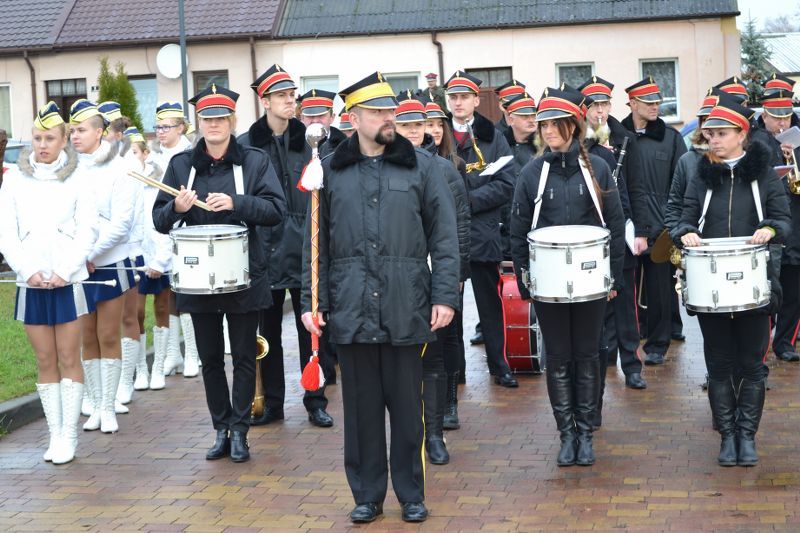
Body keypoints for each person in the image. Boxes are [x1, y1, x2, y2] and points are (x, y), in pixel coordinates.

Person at [300, 72, 459, 523]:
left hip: (405, 302)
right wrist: (312, 303)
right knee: (362, 411)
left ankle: (411, 491)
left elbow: (444, 237)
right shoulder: (329, 170)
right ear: (353, 118)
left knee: (409, 408)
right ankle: (367, 493)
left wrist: (444, 295)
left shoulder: (422, 167)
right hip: (350, 305)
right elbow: (314, 246)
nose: (389, 119)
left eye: (390, 111)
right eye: (378, 112)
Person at [153, 84, 286, 463]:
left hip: (245, 275)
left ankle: (241, 430)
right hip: (197, 281)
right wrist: (177, 208)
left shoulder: (255, 161)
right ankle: (221, 428)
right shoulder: (181, 164)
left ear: (231, 121)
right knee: (210, 358)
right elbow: (159, 221)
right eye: (207, 119)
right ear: (200, 122)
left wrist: (237, 202)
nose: (214, 125)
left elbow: (276, 209)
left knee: (244, 356)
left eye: (220, 118)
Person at [671, 99, 790, 466]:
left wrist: (769, 229)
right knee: (719, 363)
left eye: (722, 134)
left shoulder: (765, 174)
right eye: (710, 134)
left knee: (753, 363)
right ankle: (727, 436)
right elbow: (683, 218)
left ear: (742, 134)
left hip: (755, 282)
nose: (714, 140)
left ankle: (747, 435)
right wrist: (686, 233)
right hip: (711, 286)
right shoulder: (701, 173)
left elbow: (783, 220)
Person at [510, 87, 625, 466]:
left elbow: (615, 223)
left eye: (554, 124)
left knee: (588, 354)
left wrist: (614, 279)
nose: (547, 131)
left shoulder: (598, 167)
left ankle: (587, 431)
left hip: (592, 283)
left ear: (573, 125)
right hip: (550, 285)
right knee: (558, 356)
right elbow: (517, 229)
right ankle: (567, 433)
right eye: (542, 125)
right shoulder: (531, 172)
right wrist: (526, 279)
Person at [238, 65, 334, 429]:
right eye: (282, 96)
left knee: (313, 329)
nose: (290, 101)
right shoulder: (247, 144)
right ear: (264, 101)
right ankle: (273, 402)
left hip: (306, 247)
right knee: (268, 334)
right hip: (265, 249)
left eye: (292, 94)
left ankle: (315, 400)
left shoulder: (313, 139)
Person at [0, 102, 96, 464]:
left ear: (64, 140)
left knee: (70, 355)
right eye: (38, 137)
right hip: (31, 281)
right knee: (44, 358)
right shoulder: (13, 179)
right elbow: (6, 233)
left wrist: (65, 269)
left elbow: (87, 229)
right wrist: (28, 270)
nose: (42, 144)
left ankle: (69, 435)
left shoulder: (80, 177)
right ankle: (54, 434)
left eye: (50, 138)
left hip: (67, 280)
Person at [395, 92, 470, 466]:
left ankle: (436, 432)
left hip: (431, 277)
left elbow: (459, 226)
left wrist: (454, 276)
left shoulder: (442, 168)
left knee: (435, 358)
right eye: (404, 124)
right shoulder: (386, 166)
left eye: (417, 125)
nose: (411, 132)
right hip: (397, 280)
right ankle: (409, 432)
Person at [578, 76, 649, 409]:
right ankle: (603, 356)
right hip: (591, 231)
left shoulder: (625, 140)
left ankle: (632, 365)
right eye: (594, 106)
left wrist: (641, 230)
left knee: (626, 305)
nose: (601, 111)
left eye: (605, 104)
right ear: (584, 110)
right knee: (597, 301)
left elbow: (636, 187)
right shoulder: (576, 142)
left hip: (623, 227)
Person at [447, 70, 518, 388]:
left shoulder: (494, 138)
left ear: (477, 100)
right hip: (448, 236)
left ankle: (499, 364)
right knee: (451, 306)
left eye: (464, 97)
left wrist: (470, 200)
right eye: (453, 97)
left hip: (483, 230)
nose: (458, 103)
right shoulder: (441, 132)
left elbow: (507, 183)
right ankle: (455, 368)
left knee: (491, 305)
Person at [70, 99, 136, 434]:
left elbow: (122, 222)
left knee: (109, 333)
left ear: (99, 131)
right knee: (87, 337)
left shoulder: (118, 167)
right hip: (79, 265)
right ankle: (94, 404)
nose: (75, 136)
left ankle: (108, 407)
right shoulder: (68, 170)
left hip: (109, 261)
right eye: (72, 131)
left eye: (81, 130)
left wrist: (89, 252)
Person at [621, 77, 687, 365]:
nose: (656, 107)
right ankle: (629, 339)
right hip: (627, 225)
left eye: (658, 102)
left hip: (661, 227)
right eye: (649, 102)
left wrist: (676, 222)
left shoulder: (671, 138)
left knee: (661, 291)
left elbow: (683, 183)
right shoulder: (617, 135)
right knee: (626, 288)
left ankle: (659, 344)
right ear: (633, 104)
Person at [425, 99, 469, 426]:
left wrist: (458, 271)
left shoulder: (451, 167)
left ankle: (450, 400)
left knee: (450, 334)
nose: (433, 131)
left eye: (439, 125)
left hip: (447, 266)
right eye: (429, 124)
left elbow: (461, 223)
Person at [98, 102, 145, 410]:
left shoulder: (130, 163)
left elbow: (137, 216)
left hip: (132, 248)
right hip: (106, 252)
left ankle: (126, 380)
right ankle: (102, 391)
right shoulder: (93, 164)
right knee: (97, 328)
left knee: (131, 316)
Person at [148, 102, 198, 380]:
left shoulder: (188, 157)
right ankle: (172, 355)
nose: (160, 132)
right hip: (155, 237)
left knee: (184, 298)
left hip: (181, 237)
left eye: (166, 126)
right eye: (158, 126)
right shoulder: (151, 158)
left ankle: (191, 353)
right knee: (164, 300)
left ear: (181, 127)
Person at [121, 127, 173, 391]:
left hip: (157, 256)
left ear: (144, 154)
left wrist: (160, 261)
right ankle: (140, 369)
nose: (131, 158)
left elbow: (163, 222)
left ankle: (159, 367)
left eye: (134, 152)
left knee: (162, 309)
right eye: (126, 153)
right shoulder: (122, 184)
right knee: (135, 313)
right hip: (133, 258)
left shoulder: (156, 183)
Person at [753, 81, 800, 362]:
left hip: (795, 225)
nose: (782, 122)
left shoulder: (798, 138)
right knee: (768, 287)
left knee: (794, 288)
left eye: (786, 115)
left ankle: (785, 343)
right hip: (768, 225)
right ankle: (760, 344)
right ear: (764, 116)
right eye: (776, 116)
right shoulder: (756, 143)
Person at [298, 88, 347, 159]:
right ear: (302, 118)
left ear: (332, 117)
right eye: (310, 116)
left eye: (321, 115)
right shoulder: (293, 146)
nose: (315, 121)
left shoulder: (344, 147)